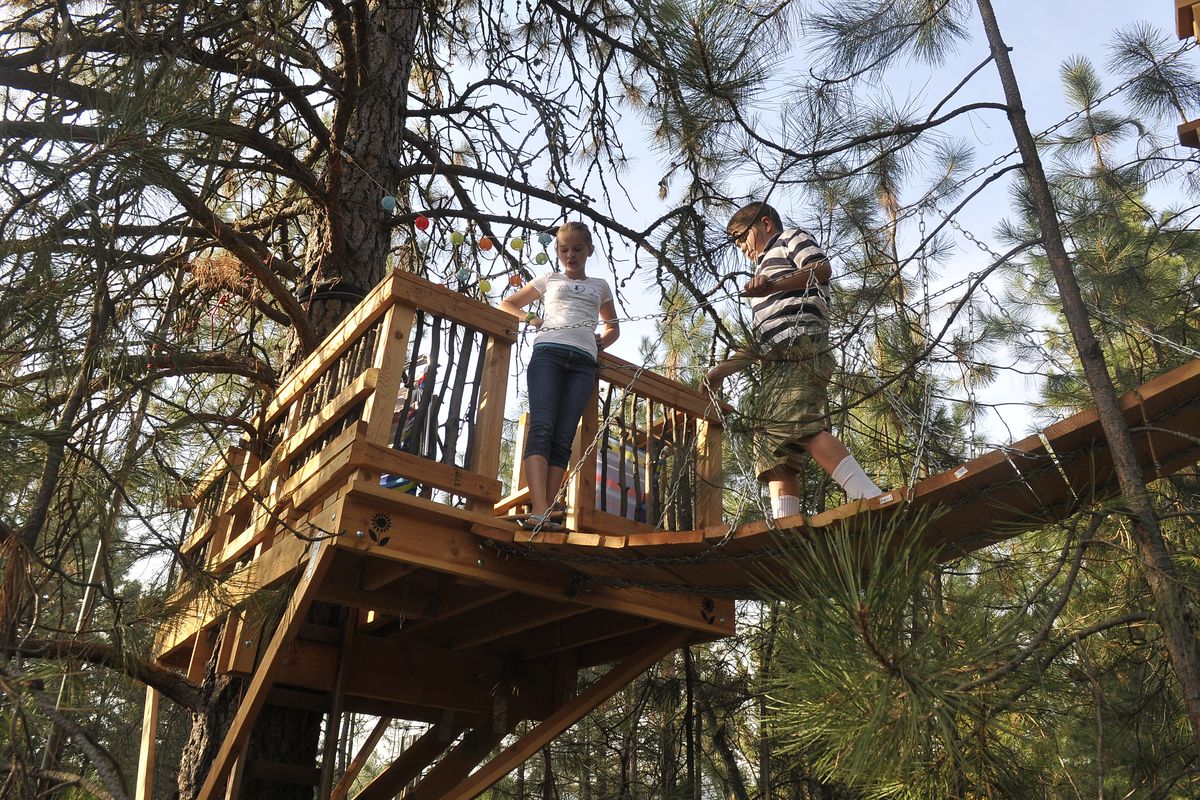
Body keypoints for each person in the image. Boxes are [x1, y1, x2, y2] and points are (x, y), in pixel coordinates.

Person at [706, 201, 880, 519]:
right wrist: (720, 371)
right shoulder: (760, 276)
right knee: (772, 448)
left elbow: (821, 270)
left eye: (742, 237)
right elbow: (760, 340)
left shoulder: (790, 240)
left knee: (800, 425)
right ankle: (787, 525)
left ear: (766, 225)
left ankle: (869, 495)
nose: (740, 247)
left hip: (801, 347)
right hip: (774, 363)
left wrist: (772, 286)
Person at [499, 222, 620, 531]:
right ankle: (540, 510)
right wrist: (533, 319)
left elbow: (612, 326)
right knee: (542, 427)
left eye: (577, 249)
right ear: (557, 251)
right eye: (564, 249)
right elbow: (508, 303)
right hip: (548, 355)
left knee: (564, 437)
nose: (570, 255)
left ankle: (546, 511)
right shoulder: (548, 279)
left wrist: (602, 340)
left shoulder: (600, 285)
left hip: (583, 363)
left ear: (589, 250)